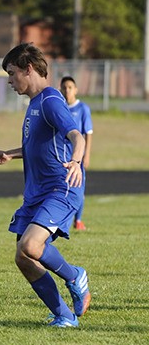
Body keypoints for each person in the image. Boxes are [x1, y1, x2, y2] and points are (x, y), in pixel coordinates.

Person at [0, 43, 91, 328]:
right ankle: (64, 315)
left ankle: (74, 276)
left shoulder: (50, 101)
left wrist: (76, 161)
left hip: (61, 186)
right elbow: (37, 145)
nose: (9, 81)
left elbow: (76, 136)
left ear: (28, 69)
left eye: (11, 73)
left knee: (31, 246)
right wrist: (10, 154)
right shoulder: (35, 104)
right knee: (23, 256)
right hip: (37, 192)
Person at [60, 76, 93, 231]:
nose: (67, 90)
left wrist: (86, 155)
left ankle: (78, 220)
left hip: (76, 156)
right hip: (61, 155)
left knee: (78, 187)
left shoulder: (82, 109)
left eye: (70, 87)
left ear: (76, 89)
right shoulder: (59, 107)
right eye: (64, 87)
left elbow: (88, 133)